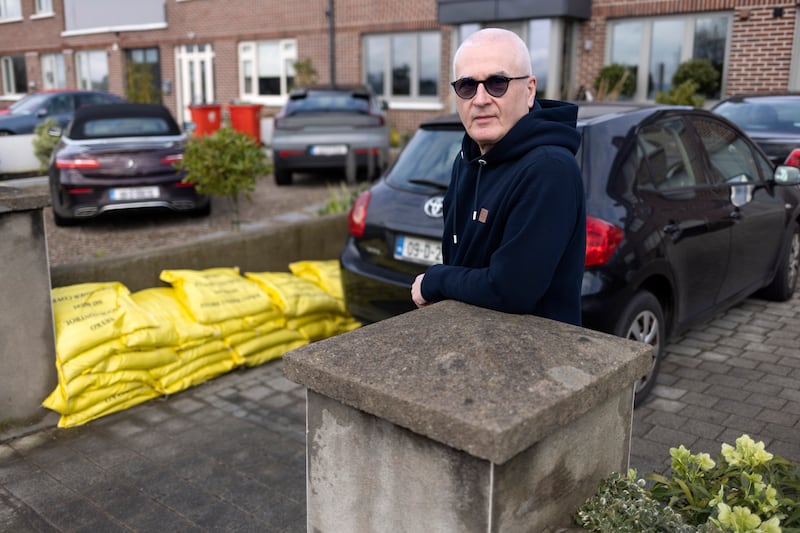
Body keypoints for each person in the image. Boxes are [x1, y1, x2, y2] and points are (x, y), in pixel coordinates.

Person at [410, 27, 586, 326]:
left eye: (497, 83)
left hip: (536, 359)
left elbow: (511, 290)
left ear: (529, 90)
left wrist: (436, 280)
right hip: (472, 342)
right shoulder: (468, 157)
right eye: (467, 85)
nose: (480, 99)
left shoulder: (549, 169)